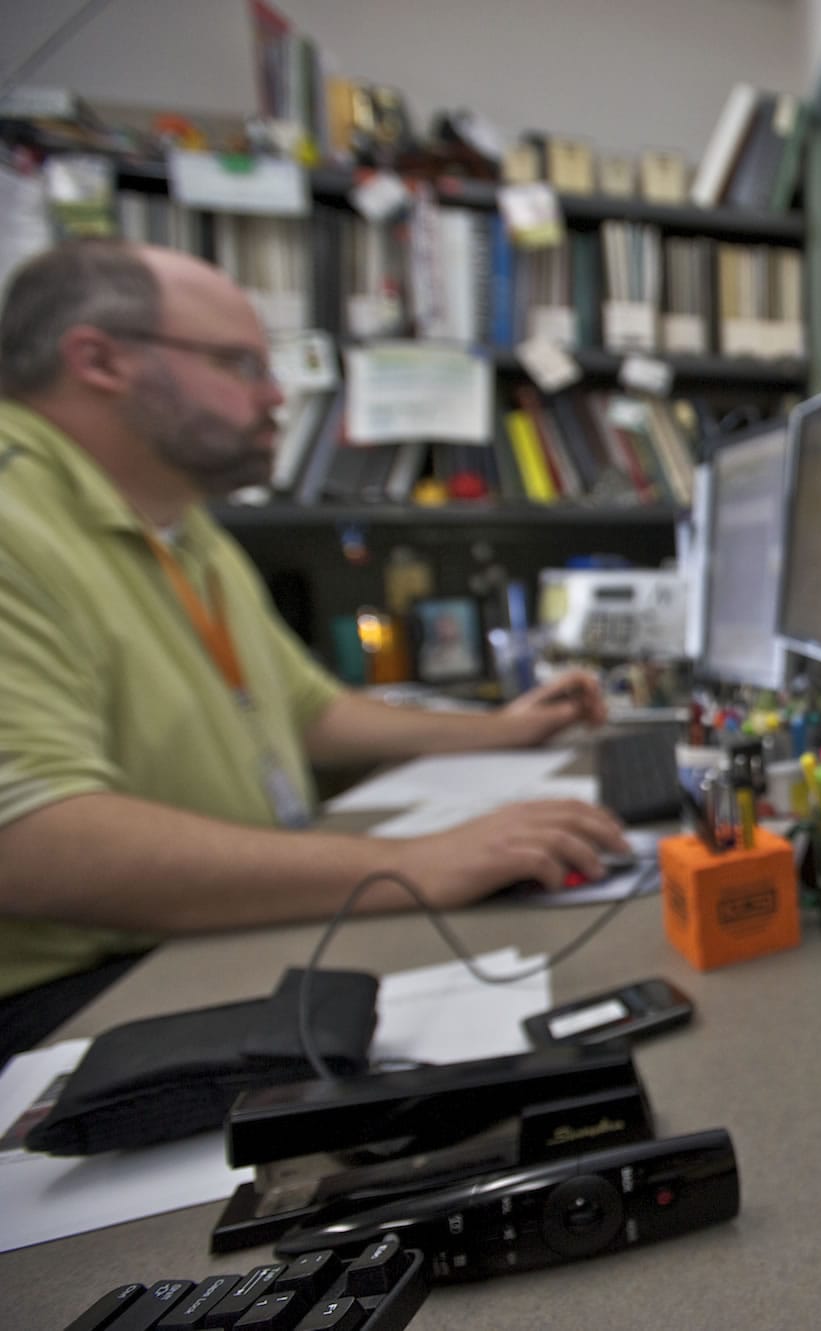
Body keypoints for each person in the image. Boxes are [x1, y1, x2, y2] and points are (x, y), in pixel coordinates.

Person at [0, 240, 627, 1055]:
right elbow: (32, 842)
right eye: (239, 364)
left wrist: (498, 730)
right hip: (78, 992)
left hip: (192, 935)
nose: (275, 396)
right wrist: (413, 864)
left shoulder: (183, 528)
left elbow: (310, 711)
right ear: (99, 359)